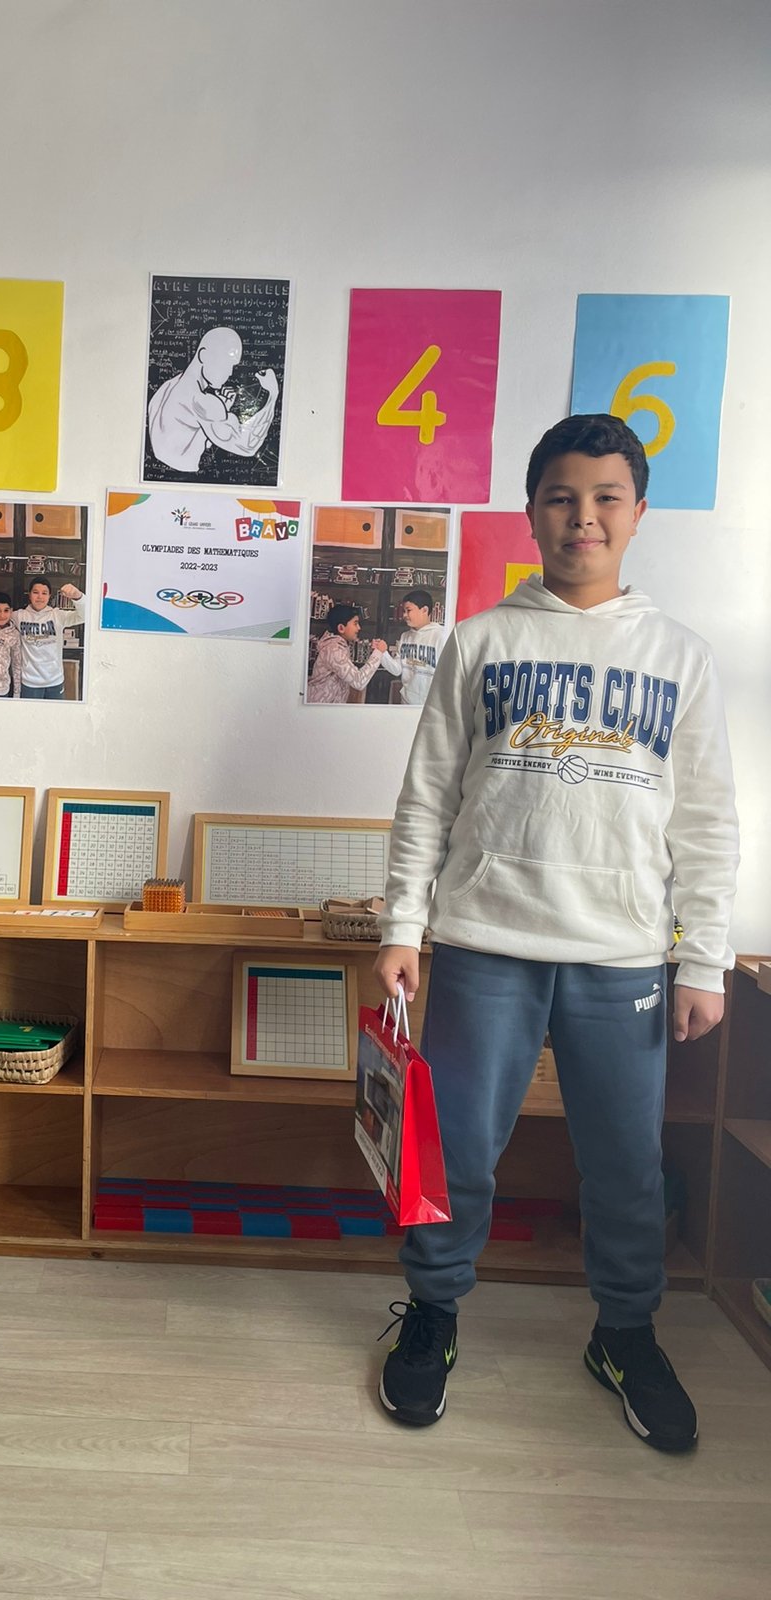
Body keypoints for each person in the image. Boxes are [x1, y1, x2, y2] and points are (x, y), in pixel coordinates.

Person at [373, 414, 738, 1453]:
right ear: (532, 513)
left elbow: (708, 822)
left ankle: (624, 1333)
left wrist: (704, 958)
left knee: (624, 1165)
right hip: (485, 942)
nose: (584, 516)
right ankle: (433, 1311)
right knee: (455, 1152)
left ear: (638, 512)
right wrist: (403, 924)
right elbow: (427, 797)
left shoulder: (680, 657)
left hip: (622, 956)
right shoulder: (480, 642)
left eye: (606, 497)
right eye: (562, 497)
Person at [147, 326, 279, 473]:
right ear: (203, 355)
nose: (230, 372)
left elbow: (185, 437)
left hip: (159, 471)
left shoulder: (167, 387)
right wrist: (272, 396)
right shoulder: (201, 401)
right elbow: (247, 446)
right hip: (187, 477)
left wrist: (222, 410)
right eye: (227, 363)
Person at [13, 576, 84, 699]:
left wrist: (78, 596)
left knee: (55, 712)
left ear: (49, 596)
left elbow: (85, 616)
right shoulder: (19, 616)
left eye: (44, 593)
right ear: (29, 595)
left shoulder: (58, 616)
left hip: (55, 681)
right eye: (35, 592)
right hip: (30, 682)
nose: (40, 597)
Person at [306, 604, 390, 704]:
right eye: (355, 623)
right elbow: (359, 681)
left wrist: (371, 652)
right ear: (341, 628)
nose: (359, 628)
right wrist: (378, 652)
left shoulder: (338, 646)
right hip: (320, 709)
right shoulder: (333, 649)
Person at [375, 589, 445, 706]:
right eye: (404, 611)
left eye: (408, 610)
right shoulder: (405, 636)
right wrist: (382, 653)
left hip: (430, 705)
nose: (404, 615)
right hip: (406, 703)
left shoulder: (441, 636)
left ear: (424, 610)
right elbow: (397, 670)